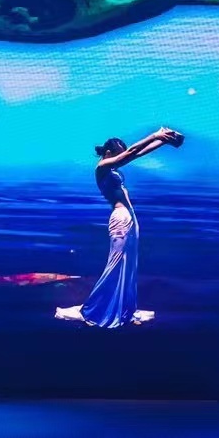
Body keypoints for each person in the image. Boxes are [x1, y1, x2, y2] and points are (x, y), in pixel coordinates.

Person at [55, 128, 181, 328]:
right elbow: (131, 152)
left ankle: (123, 308)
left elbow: (136, 154)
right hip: (120, 218)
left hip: (129, 217)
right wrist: (155, 135)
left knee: (128, 266)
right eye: (118, 154)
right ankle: (96, 310)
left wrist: (163, 141)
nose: (121, 157)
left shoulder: (112, 168)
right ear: (108, 153)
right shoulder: (102, 167)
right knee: (114, 265)